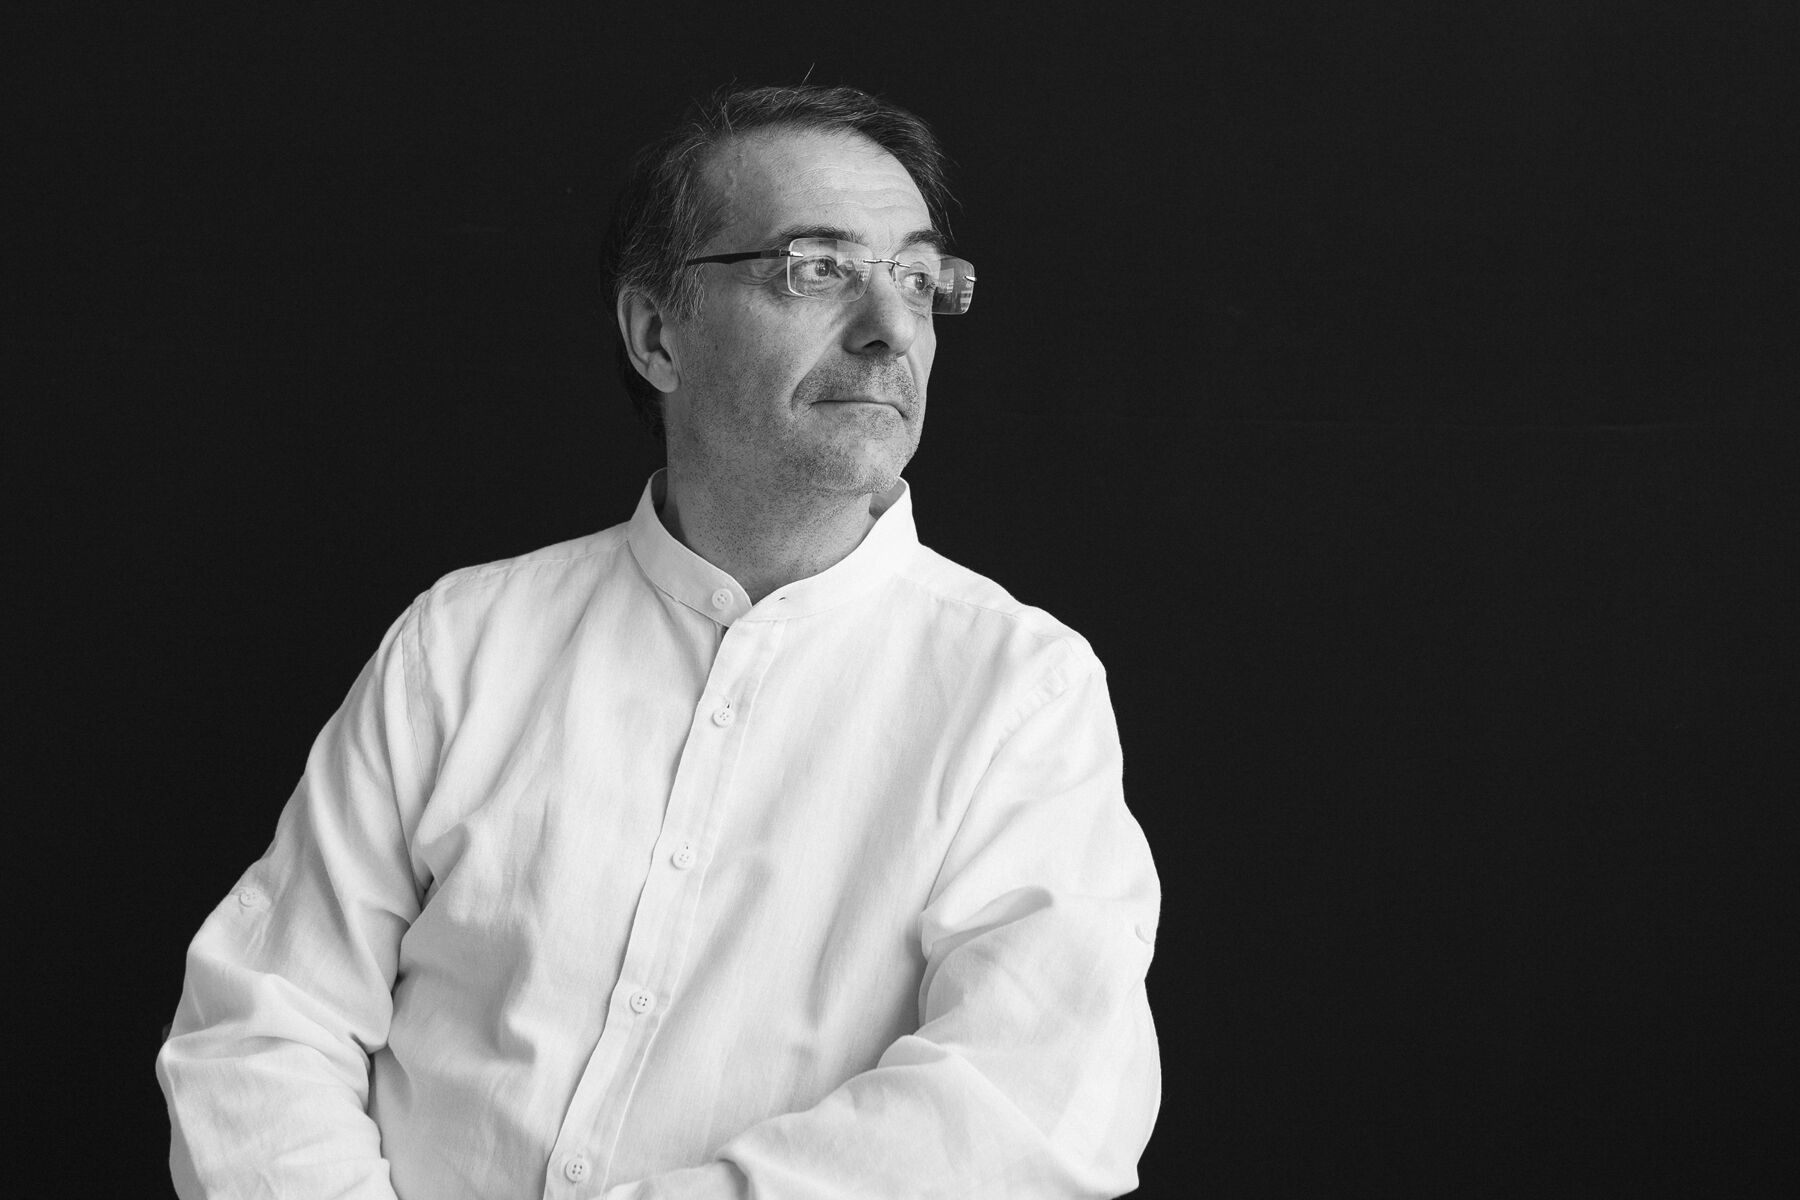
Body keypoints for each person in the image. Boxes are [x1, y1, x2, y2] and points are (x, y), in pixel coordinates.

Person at [156, 83, 1161, 1199]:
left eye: (918, 280)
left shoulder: (1022, 692)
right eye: (818, 268)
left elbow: (1023, 1113)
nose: (890, 330)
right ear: (656, 335)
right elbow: (261, 1030)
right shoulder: (462, 643)